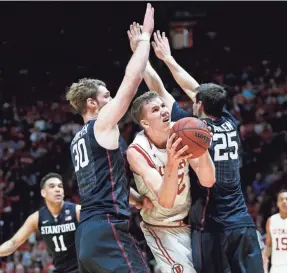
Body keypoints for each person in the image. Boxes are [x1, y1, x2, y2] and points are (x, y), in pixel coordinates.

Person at [146, 30, 264, 273]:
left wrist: (143, 60)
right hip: (242, 223)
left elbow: (161, 91)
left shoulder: (193, 130)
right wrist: (169, 59)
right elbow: (196, 89)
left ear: (199, 105)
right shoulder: (230, 120)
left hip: (212, 226)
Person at [65, 4, 154, 273]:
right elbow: (132, 81)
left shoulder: (76, 140)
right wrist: (145, 40)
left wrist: (137, 200)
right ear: (92, 103)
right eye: (107, 96)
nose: (112, 99)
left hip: (86, 237)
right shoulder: (101, 124)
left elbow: (106, 181)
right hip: (106, 230)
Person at [126, 23, 215, 273]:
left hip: (193, 225)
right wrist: (174, 163)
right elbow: (164, 202)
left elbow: (208, 180)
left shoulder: (181, 130)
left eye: (163, 107)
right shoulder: (138, 149)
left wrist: (201, 146)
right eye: (156, 110)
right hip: (161, 227)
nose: (165, 111)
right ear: (145, 122)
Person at [0, 173, 80, 273]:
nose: (57, 189)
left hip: (82, 268)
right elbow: (13, 243)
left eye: (60, 186)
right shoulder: (37, 217)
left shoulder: (77, 211)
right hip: (60, 269)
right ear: (43, 193)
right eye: (52, 186)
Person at [264, 189, 287, 273]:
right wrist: (265, 267)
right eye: (281, 199)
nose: (284, 201)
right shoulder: (271, 220)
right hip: (276, 267)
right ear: (277, 203)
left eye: (287, 199)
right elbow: (268, 245)